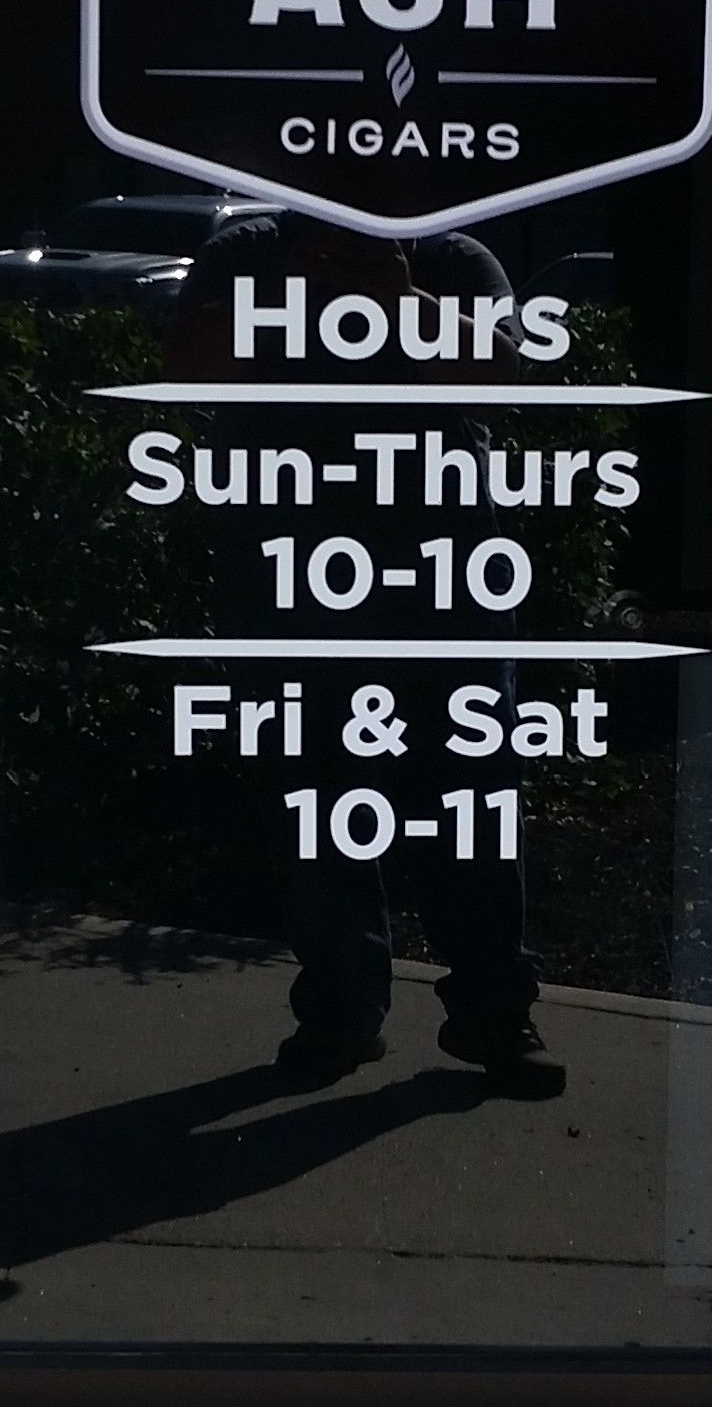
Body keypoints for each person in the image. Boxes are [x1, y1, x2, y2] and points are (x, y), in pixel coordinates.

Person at [161, 212, 564, 1099]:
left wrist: (402, 301)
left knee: (470, 795)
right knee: (316, 799)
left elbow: (502, 385)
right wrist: (290, 294)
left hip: (445, 576)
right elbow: (184, 371)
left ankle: (495, 1010)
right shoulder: (247, 254)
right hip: (286, 574)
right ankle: (340, 1013)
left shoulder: (454, 259)